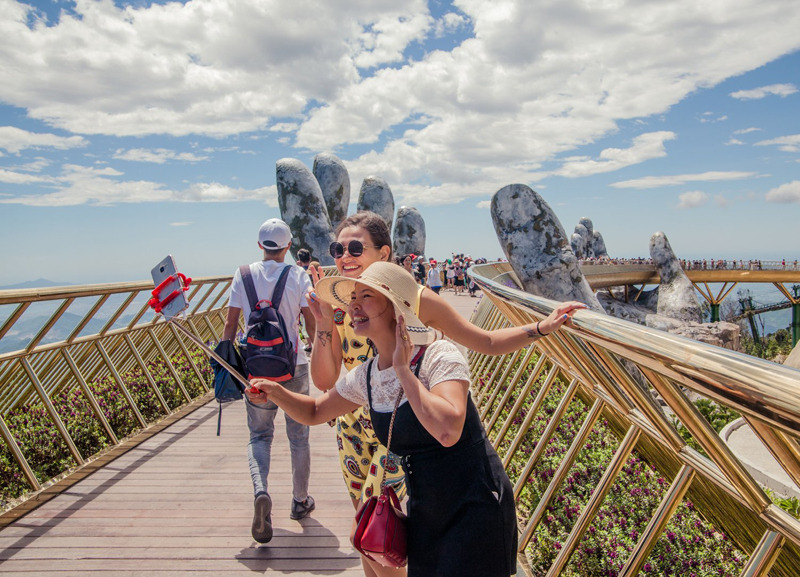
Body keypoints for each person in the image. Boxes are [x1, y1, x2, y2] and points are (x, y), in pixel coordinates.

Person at [306, 211, 587, 576]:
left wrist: (540, 327)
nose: (344, 256)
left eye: (356, 247)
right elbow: (326, 381)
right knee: (368, 534)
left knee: (387, 543)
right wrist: (323, 324)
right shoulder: (340, 302)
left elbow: (482, 340)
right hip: (356, 431)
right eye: (337, 248)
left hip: (407, 433)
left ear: (384, 253)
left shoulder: (416, 300)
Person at [251, 261, 570, 575]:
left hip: (474, 504)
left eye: (366, 297)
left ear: (395, 309)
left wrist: (404, 371)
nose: (354, 307)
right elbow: (315, 411)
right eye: (352, 299)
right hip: (425, 510)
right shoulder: (368, 375)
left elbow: (448, 430)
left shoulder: (438, 356)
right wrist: (274, 392)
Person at [221, 218, 317, 544]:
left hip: (255, 370)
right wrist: (317, 352)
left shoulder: (242, 275)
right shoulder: (298, 275)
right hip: (295, 367)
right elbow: (311, 323)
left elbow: (231, 326)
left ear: (260, 246)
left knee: (260, 436)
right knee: (298, 437)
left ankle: (261, 490)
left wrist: (228, 362)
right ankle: (300, 500)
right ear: (288, 247)